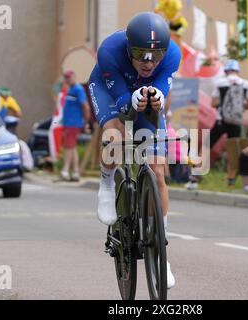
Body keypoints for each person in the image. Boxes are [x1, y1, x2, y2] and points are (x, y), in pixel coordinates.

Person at [89, 12, 181, 289]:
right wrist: (130, 100)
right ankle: (106, 185)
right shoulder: (109, 51)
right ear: (129, 48)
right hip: (110, 90)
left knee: (158, 170)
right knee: (115, 134)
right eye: (141, 54)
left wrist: (158, 97)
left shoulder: (173, 55)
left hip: (146, 95)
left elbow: (162, 86)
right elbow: (120, 100)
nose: (148, 62)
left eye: (156, 55)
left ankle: (159, 246)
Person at [185, 59, 248, 189]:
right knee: (233, 151)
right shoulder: (245, 84)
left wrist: (224, 104)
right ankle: (231, 183)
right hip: (236, 122)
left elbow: (213, 103)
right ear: (237, 71)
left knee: (205, 147)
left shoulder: (220, 83)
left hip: (221, 121)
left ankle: (194, 179)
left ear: (226, 71)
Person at [60, 70, 91, 182]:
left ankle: (65, 170)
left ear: (74, 77)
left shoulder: (78, 89)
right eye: (66, 78)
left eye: (69, 77)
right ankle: (76, 172)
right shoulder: (70, 90)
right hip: (69, 123)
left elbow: (85, 106)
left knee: (69, 146)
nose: (67, 80)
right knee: (72, 147)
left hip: (74, 123)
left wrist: (86, 122)